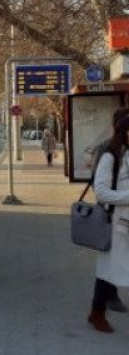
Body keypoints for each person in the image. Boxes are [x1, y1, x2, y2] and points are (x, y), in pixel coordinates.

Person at [89, 115, 129, 332]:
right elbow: (102, 192)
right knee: (107, 271)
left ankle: (96, 312)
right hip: (114, 224)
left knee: (113, 271)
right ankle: (97, 313)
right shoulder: (110, 156)